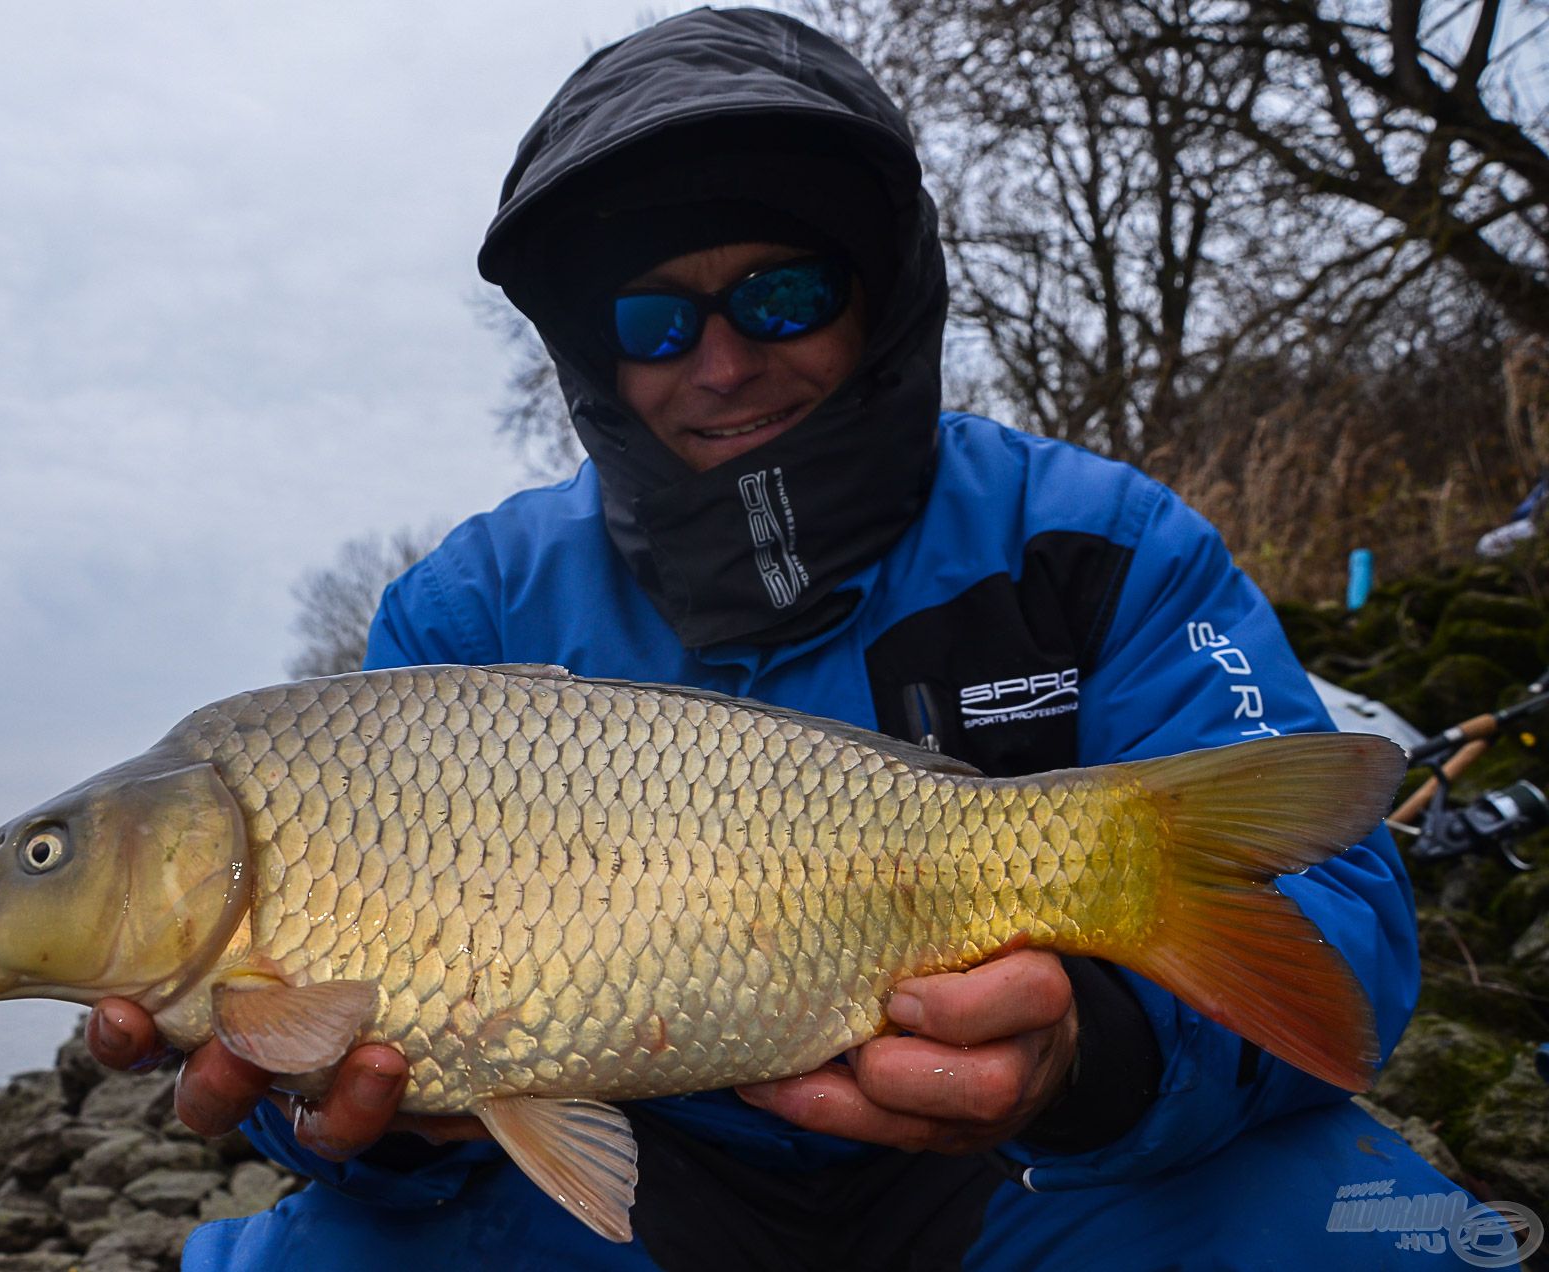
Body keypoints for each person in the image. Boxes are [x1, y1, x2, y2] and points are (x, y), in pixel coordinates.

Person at [90, 9, 1466, 1268]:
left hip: (1030, 1167)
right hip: (643, 1180)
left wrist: (1087, 1058)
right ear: (595, 361)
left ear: (881, 299)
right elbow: (331, 1079)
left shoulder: (1097, 543)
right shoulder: (470, 611)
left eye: (782, 295)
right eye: (653, 320)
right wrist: (360, 1120)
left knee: (1387, 1236)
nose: (724, 359)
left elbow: (1340, 924)